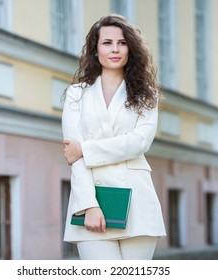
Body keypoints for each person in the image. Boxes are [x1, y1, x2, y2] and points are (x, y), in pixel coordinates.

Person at [62, 14, 166, 260]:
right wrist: (89, 205)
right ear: (95, 49)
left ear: (131, 49)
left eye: (122, 43)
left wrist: (85, 149)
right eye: (107, 42)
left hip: (138, 204)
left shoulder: (147, 95)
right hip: (90, 202)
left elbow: (140, 142)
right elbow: (73, 157)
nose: (115, 49)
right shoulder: (76, 95)